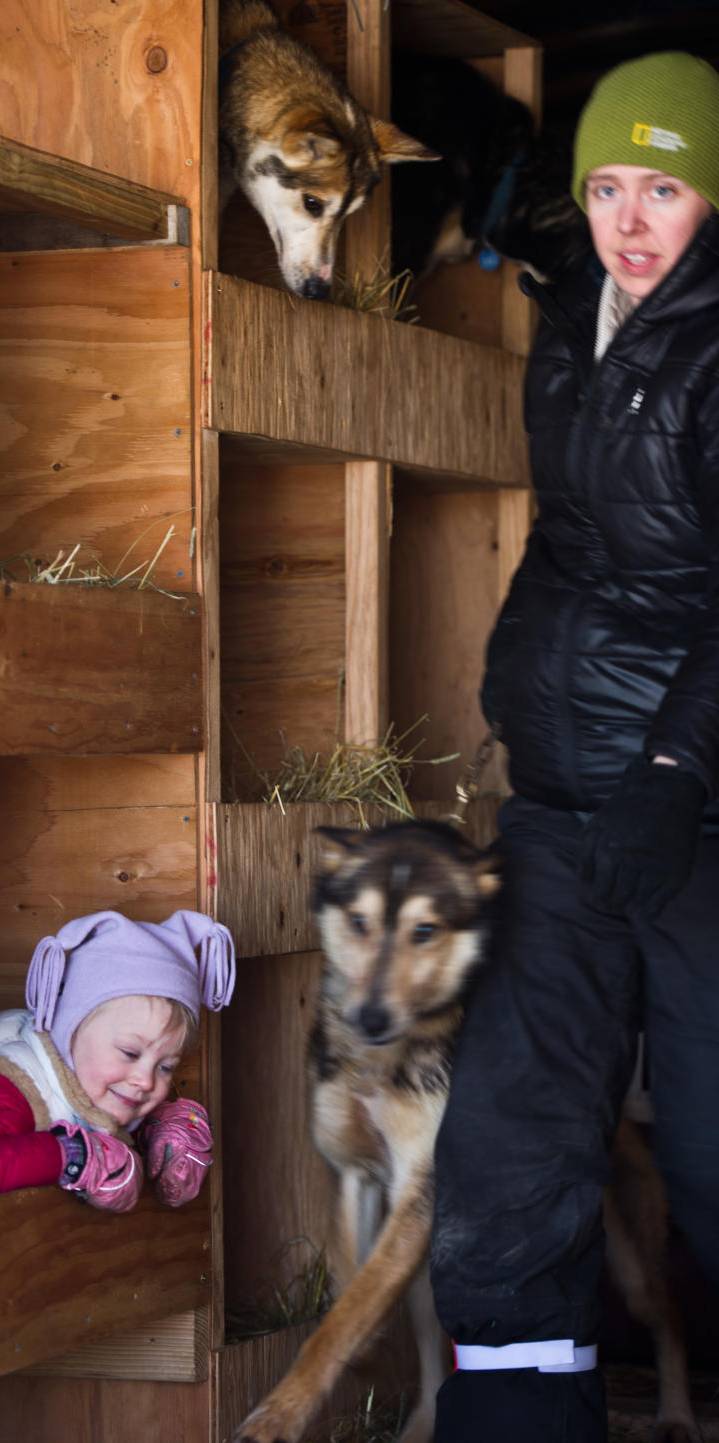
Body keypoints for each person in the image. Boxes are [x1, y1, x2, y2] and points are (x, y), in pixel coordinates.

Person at [428, 51, 719, 1442]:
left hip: (694, 815)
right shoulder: (574, 289)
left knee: (714, 1160)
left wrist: (675, 773)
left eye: (666, 185)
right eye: (612, 185)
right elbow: (516, 181)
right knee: (512, 1140)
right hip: (556, 805)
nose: (631, 217)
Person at [0, 909, 236, 1212]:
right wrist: (75, 1157)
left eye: (166, 1066)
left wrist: (160, 1131)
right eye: (130, 1053)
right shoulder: (14, 1081)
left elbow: (91, 1114)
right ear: (70, 1029)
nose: (146, 1080)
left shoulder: (99, 1079)